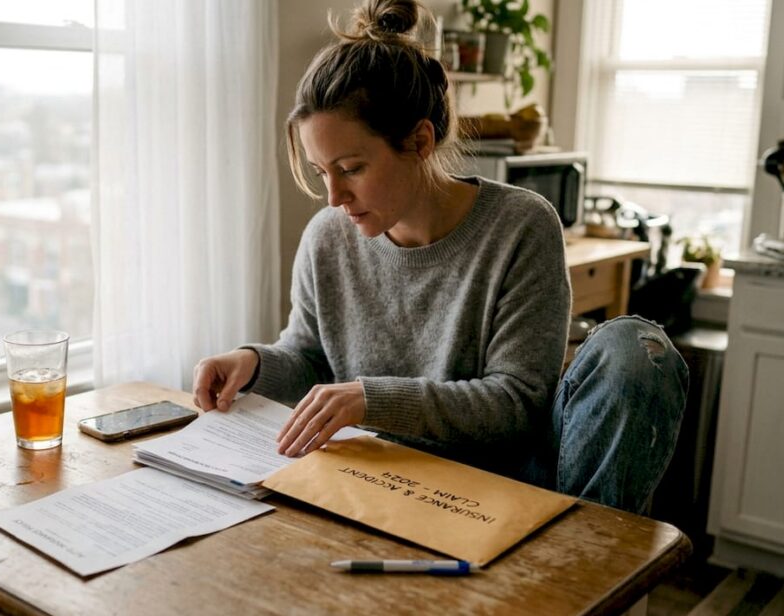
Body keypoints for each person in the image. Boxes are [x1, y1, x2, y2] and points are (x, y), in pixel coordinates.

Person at [192, 0, 687, 514]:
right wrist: (252, 364)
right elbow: (310, 359)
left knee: (635, 347)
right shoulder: (327, 237)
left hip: (502, 480)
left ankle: (588, 560)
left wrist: (372, 398)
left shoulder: (520, 225)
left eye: (352, 168)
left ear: (420, 140)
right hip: (377, 475)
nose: (334, 196)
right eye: (322, 172)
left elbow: (517, 403)